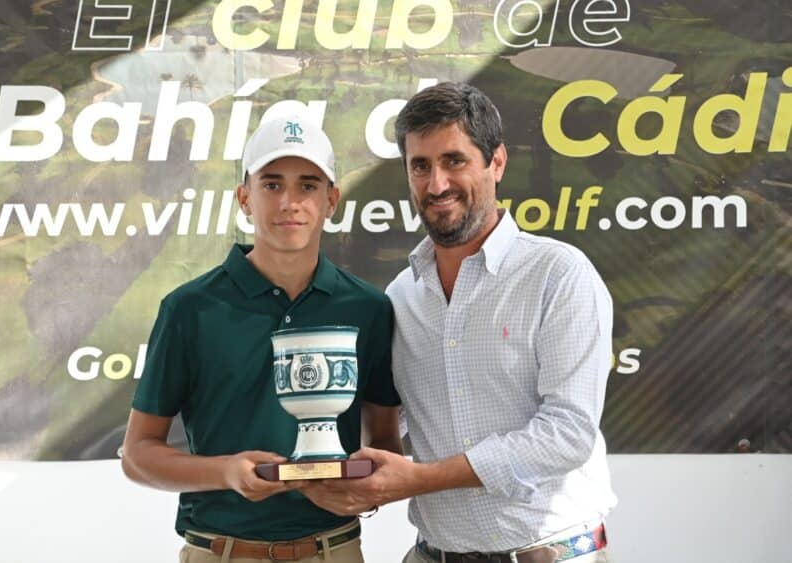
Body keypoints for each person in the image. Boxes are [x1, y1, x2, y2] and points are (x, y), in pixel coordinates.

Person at [301, 82, 617, 563]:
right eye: (420, 166)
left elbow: (568, 435)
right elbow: (384, 424)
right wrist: (313, 453)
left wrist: (419, 479)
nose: (436, 185)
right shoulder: (401, 297)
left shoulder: (558, 275)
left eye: (454, 161)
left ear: (497, 162)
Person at [121, 113, 402, 563]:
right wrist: (226, 472)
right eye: (272, 185)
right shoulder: (190, 309)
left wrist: (362, 489)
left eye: (308, 185)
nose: (290, 202)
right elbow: (137, 455)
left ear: (331, 200)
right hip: (222, 551)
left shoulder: (368, 308)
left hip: (335, 549)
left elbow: (384, 438)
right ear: (244, 198)